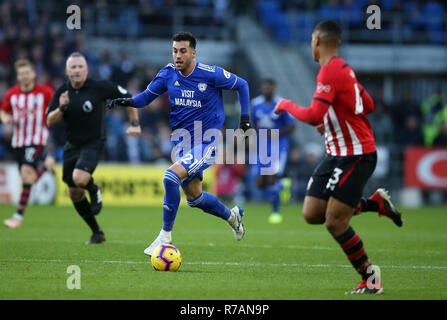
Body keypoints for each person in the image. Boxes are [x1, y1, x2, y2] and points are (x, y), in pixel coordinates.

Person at [274, 20, 403, 294]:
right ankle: (374, 204)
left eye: (311, 40)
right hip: (336, 153)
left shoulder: (330, 72)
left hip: (356, 155)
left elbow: (312, 115)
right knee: (311, 213)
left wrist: (286, 104)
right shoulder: (343, 70)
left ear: (317, 41)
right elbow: (366, 105)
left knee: (335, 222)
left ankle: (370, 279)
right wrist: (333, 123)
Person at [108, 32, 251, 257]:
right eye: (175, 51)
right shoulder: (167, 73)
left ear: (193, 52)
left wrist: (245, 119)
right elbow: (146, 97)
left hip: (208, 142)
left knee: (170, 176)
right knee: (195, 198)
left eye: (183, 51)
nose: (178, 55)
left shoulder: (210, 74)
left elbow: (242, 85)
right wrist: (126, 101)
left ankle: (165, 236)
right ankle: (232, 217)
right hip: (183, 144)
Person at [46, 52, 141, 244]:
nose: (77, 70)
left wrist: (134, 122)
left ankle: (93, 188)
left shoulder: (99, 87)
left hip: (95, 142)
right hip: (72, 145)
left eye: (80, 66)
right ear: (67, 71)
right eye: (73, 67)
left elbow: (128, 97)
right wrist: (61, 108)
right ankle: (97, 232)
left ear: (86, 70)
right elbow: (49, 120)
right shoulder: (62, 93)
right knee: (74, 193)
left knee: (79, 178)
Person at [1, 59, 56, 228]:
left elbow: (56, 111)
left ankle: (17, 217)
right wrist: (5, 119)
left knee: (26, 174)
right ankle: (46, 166)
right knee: (28, 179)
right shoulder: (12, 94)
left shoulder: (45, 92)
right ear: (18, 76)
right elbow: (3, 110)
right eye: (21, 74)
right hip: (18, 142)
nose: (24, 76)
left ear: (33, 74)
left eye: (27, 73)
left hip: (37, 139)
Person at [251, 78, 296, 223]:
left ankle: (275, 212)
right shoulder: (255, 104)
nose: (267, 90)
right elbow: (253, 123)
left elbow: (292, 126)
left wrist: (277, 133)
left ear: (274, 88)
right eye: (265, 87)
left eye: (269, 88)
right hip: (261, 146)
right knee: (259, 183)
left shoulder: (281, 104)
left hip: (278, 146)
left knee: (272, 177)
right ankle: (284, 185)